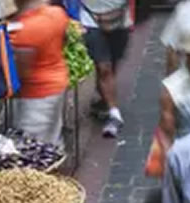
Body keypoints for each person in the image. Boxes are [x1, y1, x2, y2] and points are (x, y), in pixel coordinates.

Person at [7, 0, 71, 146]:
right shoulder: (57, 13)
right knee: (52, 138)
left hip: (37, 93)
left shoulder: (28, 29)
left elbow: (22, 70)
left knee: (31, 144)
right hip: (57, 83)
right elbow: (63, 42)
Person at [76, 0, 131, 138]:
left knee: (112, 65)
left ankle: (104, 101)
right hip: (90, 18)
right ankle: (114, 113)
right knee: (104, 67)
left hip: (120, 17)